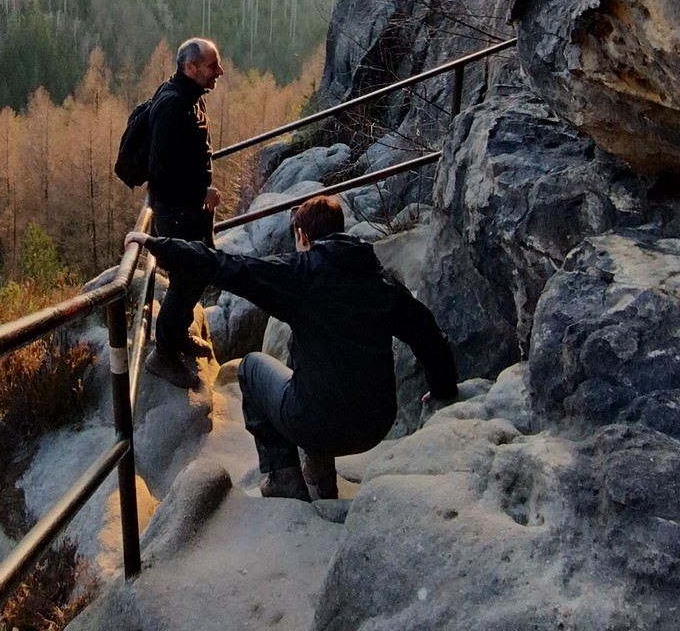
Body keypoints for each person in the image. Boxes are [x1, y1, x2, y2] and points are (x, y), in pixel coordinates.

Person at [127, 192, 458, 498]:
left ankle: (283, 476)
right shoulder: (380, 281)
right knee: (315, 369)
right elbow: (427, 332)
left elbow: (227, 267)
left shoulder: (300, 275)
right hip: (375, 424)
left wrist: (159, 245)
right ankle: (319, 474)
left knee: (252, 368)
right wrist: (443, 388)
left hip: (317, 422)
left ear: (302, 236)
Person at [143, 36, 224, 390]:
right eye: (212, 65)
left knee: (196, 273)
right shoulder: (174, 106)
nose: (219, 71)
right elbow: (160, 175)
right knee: (189, 277)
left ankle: (178, 334)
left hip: (190, 211)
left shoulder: (190, 96)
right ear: (190, 67)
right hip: (177, 213)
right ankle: (162, 354)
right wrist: (200, 193)